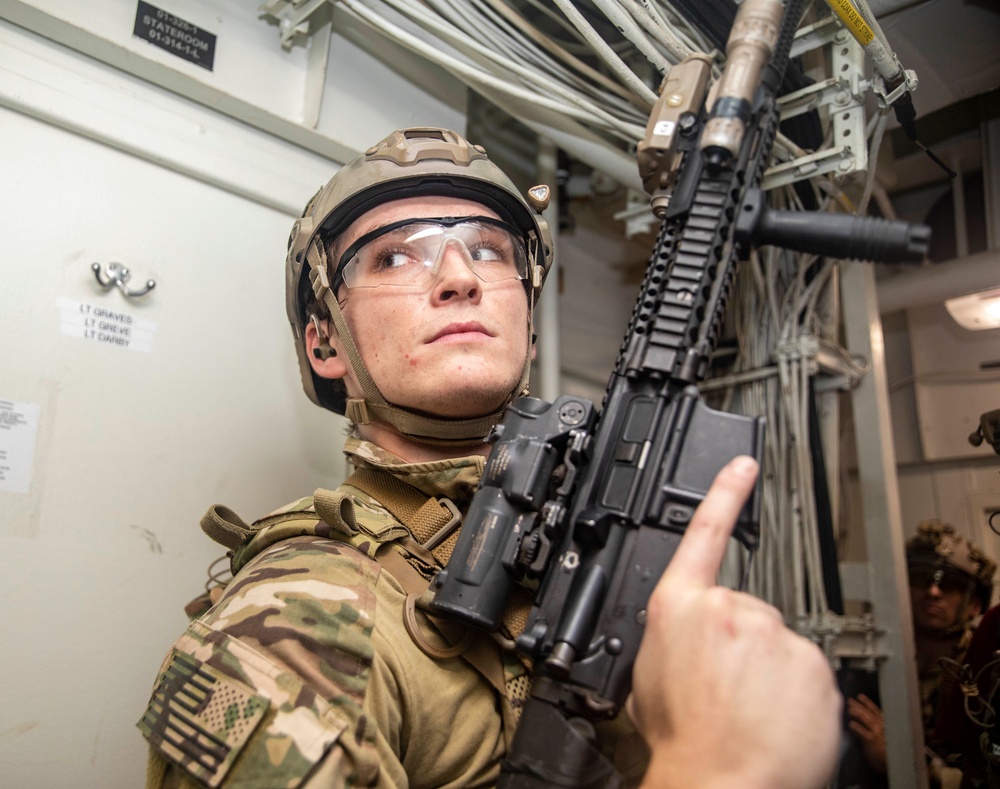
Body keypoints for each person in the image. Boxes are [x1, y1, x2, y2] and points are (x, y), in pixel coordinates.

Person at [138, 127, 840, 789]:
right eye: (394, 253)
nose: (458, 277)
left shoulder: (600, 537)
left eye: (488, 250)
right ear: (325, 344)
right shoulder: (291, 622)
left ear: (529, 326)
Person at [847, 520, 996, 785]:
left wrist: (901, 765)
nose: (933, 592)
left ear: (974, 604)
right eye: (920, 579)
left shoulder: (988, 670)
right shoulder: (872, 664)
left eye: (948, 583)